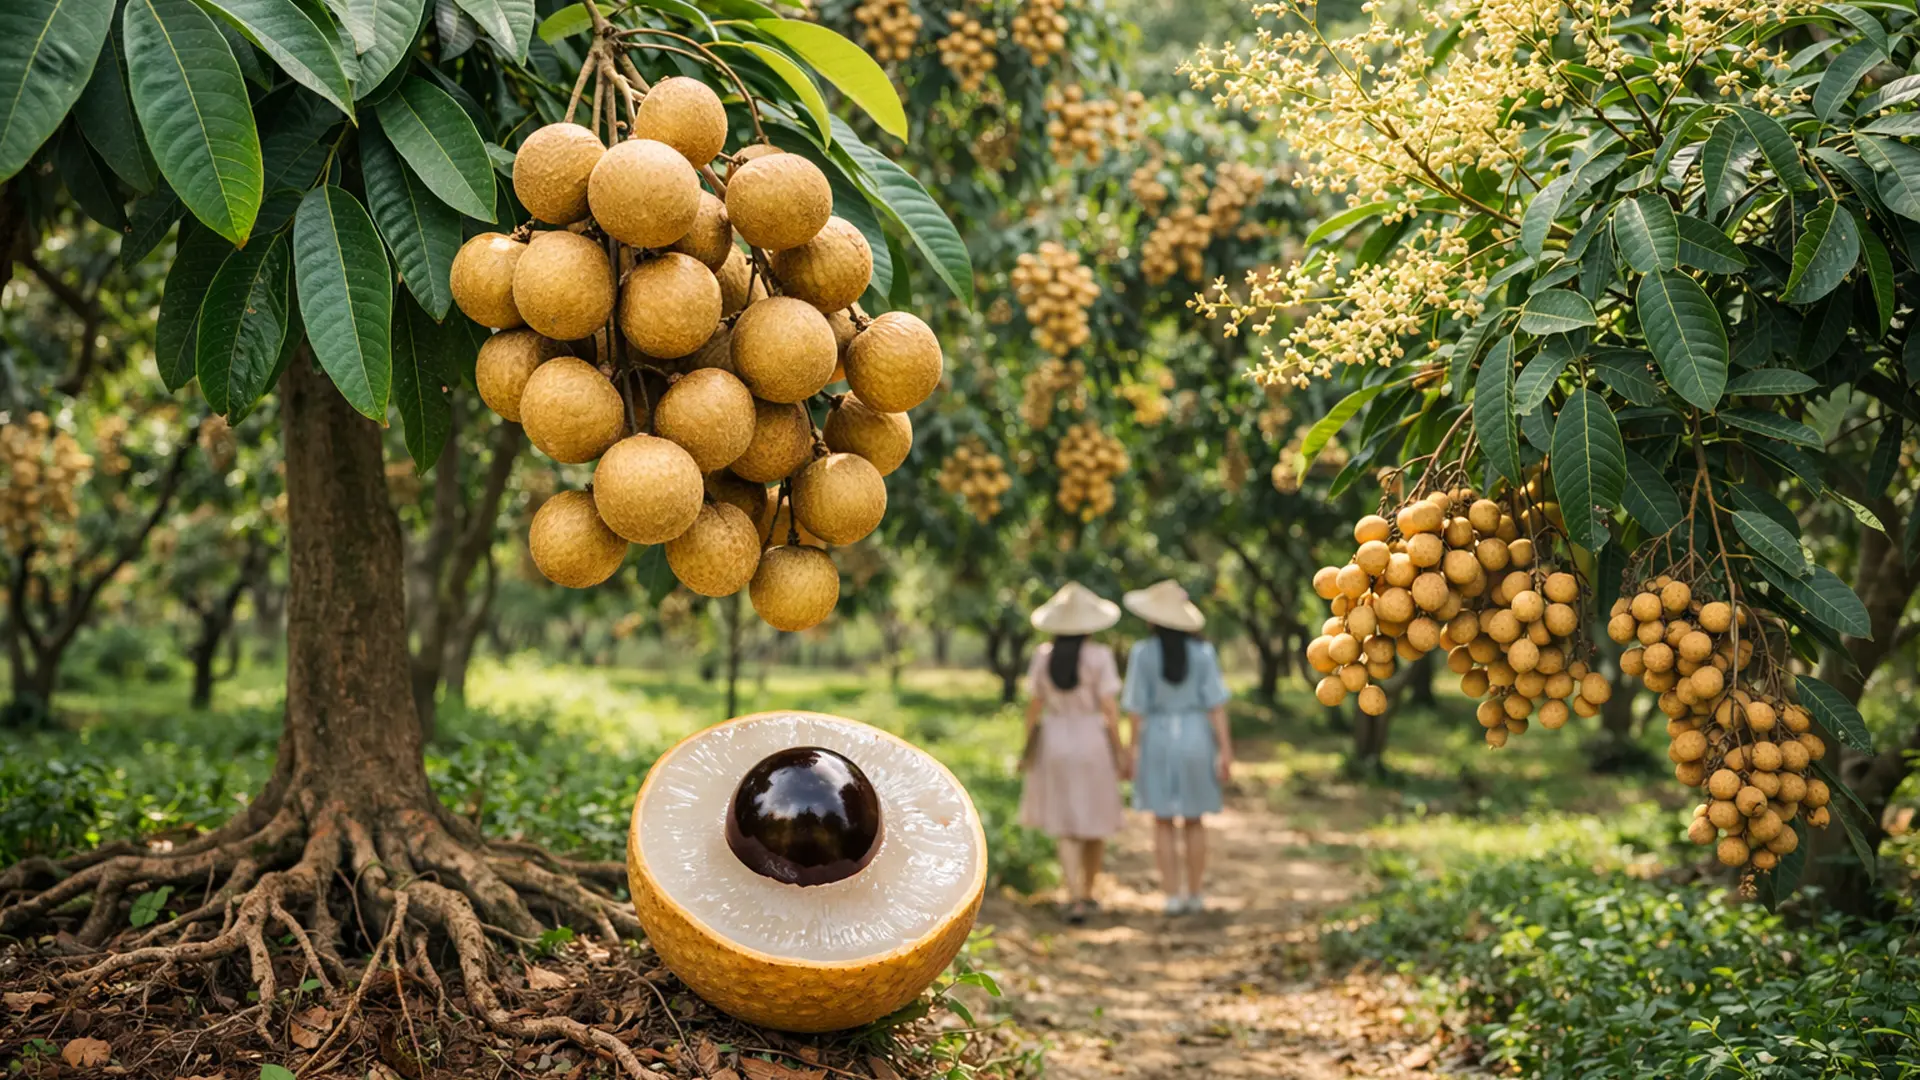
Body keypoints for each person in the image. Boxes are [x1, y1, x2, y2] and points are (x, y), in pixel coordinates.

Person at [1018, 581, 1127, 924]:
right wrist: (1120, 748)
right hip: (1091, 738)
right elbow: (1109, 709)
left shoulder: (1042, 656)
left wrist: (1026, 748)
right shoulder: (1100, 657)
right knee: (1095, 819)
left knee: (1065, 822)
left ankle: (1073, 895)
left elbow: (1033, 707)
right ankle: (1088, 892)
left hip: (1055, 738)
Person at [1121, 580, 1232, 915]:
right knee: (1195, 820)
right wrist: (1225, 749)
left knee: (1163, 820)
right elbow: (1216, 706)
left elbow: (1136, 709)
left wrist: (1132, 750)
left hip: (1157, 737)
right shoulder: (1203, 653)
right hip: (1196, 736)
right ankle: (1195, 894)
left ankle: (1171, 895)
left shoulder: (1142, 653)